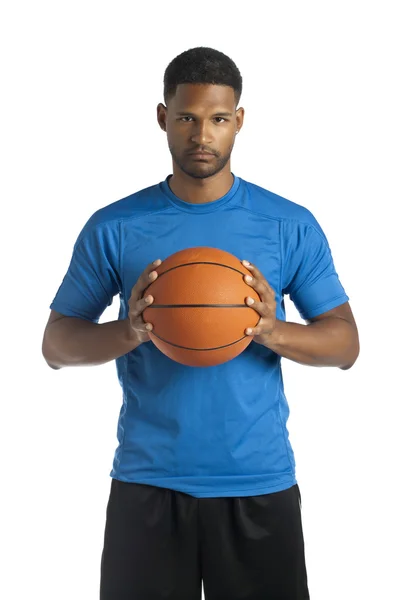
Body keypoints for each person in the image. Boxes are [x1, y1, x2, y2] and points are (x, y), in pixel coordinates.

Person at [42, 46, 359, 600]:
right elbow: (56, 346)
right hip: (148, 483)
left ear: (239, 121)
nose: (202, 135)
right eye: (186, 117)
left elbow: (346, 344)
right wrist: (132, 329)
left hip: (259, 482)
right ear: (163, 118)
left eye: (217, 119)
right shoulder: (115, 226)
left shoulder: (287, 224)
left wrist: (268, 329)